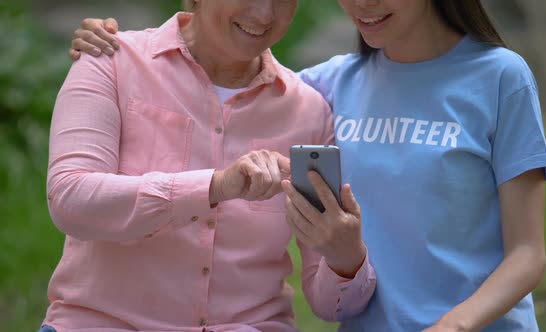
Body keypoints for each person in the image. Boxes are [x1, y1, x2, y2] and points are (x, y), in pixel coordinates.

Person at [71, 0, 546, 331]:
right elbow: (223, 89)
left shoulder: (500, 78)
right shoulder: (327, 87)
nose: (363, 4)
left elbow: (528, 254)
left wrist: (455, 324)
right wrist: (118, 49)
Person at [41, 1, 378, 332]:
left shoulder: (310, 111)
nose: (265, 14)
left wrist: (346, 260)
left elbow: (329, 306)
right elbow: (70, 198)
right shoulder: (111, 61)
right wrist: (215, 186)